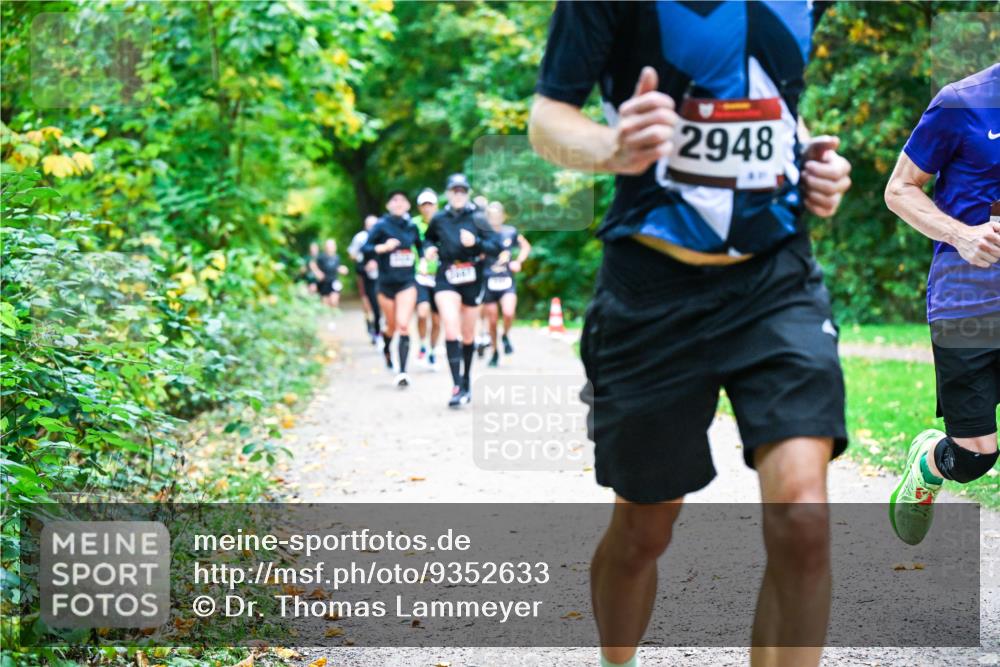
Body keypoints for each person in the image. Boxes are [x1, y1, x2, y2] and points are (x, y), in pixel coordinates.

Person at [529, 3, 853, 666]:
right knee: (644, 529)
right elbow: (547, 120)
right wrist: (611, 147)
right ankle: (616, 659)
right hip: (651, 290)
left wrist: (812, 164)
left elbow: (766, 95)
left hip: (776, 280)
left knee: (804, 518)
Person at [883, 63, 1000, 546]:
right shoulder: (960, 102)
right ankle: (930, 461)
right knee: (975, 458)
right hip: (966, 303)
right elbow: (898, 189)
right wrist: (962, 234)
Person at [423, 174, 502, 408]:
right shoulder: (438, 219)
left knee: (468, 336)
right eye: (454, 191)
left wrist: (475, 244)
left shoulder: (479, 217)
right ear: (447, 193)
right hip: (447, 275)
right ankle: (456, 385)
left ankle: (466, 379)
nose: (458, 195)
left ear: (467, 193)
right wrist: (429, 250)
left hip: (472, 278)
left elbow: (495, 247)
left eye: (462, 191)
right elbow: (428, 240)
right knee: (451, 328)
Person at [363, 191, 422, 388]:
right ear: (388, 205)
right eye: (394, 200)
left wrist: (425, 258)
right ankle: (387, 350)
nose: (398, 203)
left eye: (402, 200)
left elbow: (421, 248)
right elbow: (365, 248)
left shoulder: (412, 226)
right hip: (386, 283)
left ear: (407, 205)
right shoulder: (381, 225)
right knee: (391, 326)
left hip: (407, 282)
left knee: (404, 325)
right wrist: (381, 248)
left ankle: (403, 372)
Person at [482, 201, 531, 367]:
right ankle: (494, 352)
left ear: (503, 216)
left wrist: (518, 261)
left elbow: (525, 246)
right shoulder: (483, 234)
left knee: (509, 313)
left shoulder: (510, 232)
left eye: (497, 215)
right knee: (492, 321)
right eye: (490, 215)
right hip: (488, 281)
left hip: (507, 281)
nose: (494, 218)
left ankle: (505, 335)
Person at [413, 188, 442, 370]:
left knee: (437, 320)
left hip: (440, 277)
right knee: (422, 313)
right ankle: (422, 344)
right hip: (420, 276)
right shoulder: (413, 224)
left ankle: (432, 350)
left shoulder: (443, 222)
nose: (427, 208)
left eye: (430, 204)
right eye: (424, 205)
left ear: (436, 206)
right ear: (419, 207)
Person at [348, 215, 382, 345]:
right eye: (369, 225)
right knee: (367, 302)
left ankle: (378, 327)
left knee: (379, 303)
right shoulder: (360, 238)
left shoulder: (382, 236)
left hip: (380, 274)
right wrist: (362, 260)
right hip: (363, 274)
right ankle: (370, 326)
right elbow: (352, 253)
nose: (371, 227)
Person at [310, 239, 348, 311]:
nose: (330, 247)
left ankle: (333, 319)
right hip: (324, 282)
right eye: (329, 246)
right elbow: (312, 264)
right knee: (325, 305)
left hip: (334, 281)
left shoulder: (337, 257)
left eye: (332, 246)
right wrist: (317, 272)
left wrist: (342, 269)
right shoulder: (321, 257)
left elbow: (337, 267)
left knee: (334, 301)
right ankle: (328, 320)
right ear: (325, 247)